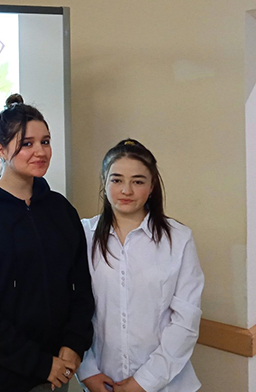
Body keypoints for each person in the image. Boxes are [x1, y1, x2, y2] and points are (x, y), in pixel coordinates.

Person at [0, 94, 95, 392]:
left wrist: (74, 343)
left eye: (45, 141)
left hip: (55, 371)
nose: (40, 151)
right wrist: (39, 363)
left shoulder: (60, 210)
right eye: (27, 144)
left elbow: (82, 287)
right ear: (0, 150)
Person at [77, 139, 204, 392]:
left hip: (167, 385)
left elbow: (185, 321)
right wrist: (87, 371)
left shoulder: (178, 239)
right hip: (102, 381)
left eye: (137, 181)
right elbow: (71, 308)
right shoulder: (83, 235)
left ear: (152, 186)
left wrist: (144, 382)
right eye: (116, 180)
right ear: (104, 181)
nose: (126, 190)